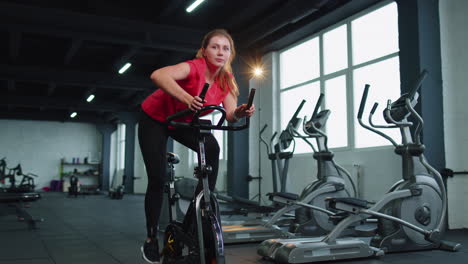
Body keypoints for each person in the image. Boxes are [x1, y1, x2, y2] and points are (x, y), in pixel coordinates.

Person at [138, 28, 255, 263]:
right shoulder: (194, 67)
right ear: (204, 51)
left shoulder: (226, 80)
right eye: (215, 47)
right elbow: (158, 75)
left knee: (213, 149)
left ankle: (195, 214)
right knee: (157, 178)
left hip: (183, 121)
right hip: (155, 119)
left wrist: (240, 112)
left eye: (225, 48)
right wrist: (187, 99)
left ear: (230, 54)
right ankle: (151, 237)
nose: (220, 52)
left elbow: (230, 114)